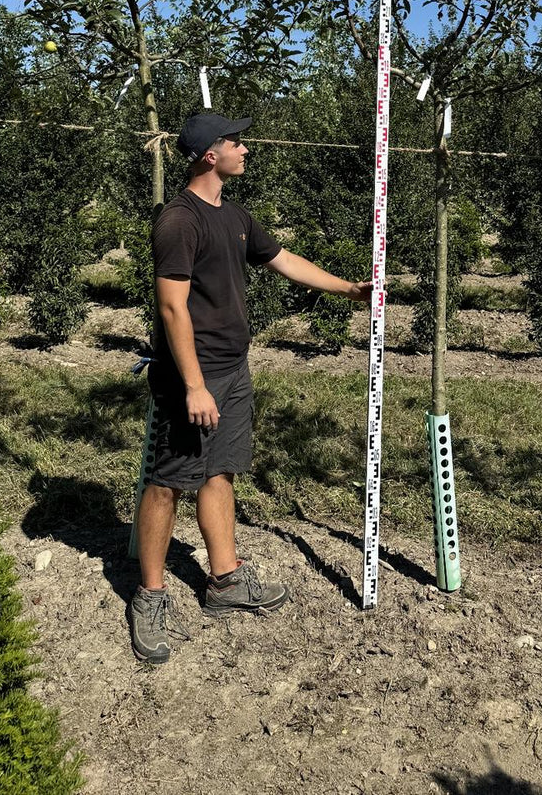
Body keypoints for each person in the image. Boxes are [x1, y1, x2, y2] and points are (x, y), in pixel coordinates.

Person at [127, 111, 372, 663]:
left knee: (220, 471)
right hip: (193, 374)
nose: (246, 150)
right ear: (210, 154)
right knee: (169, 480)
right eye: (237, 143)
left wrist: (348, 290)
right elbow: (171, 307)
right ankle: (150, 595)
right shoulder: (179, 220)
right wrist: (193, 385)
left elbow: (283, 260)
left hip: (233, 369)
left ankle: (225, 580)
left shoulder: (234, 215)